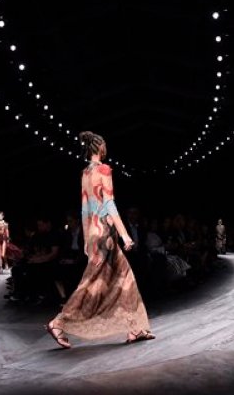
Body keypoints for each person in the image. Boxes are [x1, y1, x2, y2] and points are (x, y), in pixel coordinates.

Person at [44, 131, 155, 348]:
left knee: (124, 277)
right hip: (106, 232)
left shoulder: (85, 173)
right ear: (100, 147)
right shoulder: (104, 169)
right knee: (92, 282)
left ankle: (135, 327)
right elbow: (109, 204)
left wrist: (87, 240)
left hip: (94, 233)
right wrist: (124, 235)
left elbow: (85, 209)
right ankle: (58, 322)